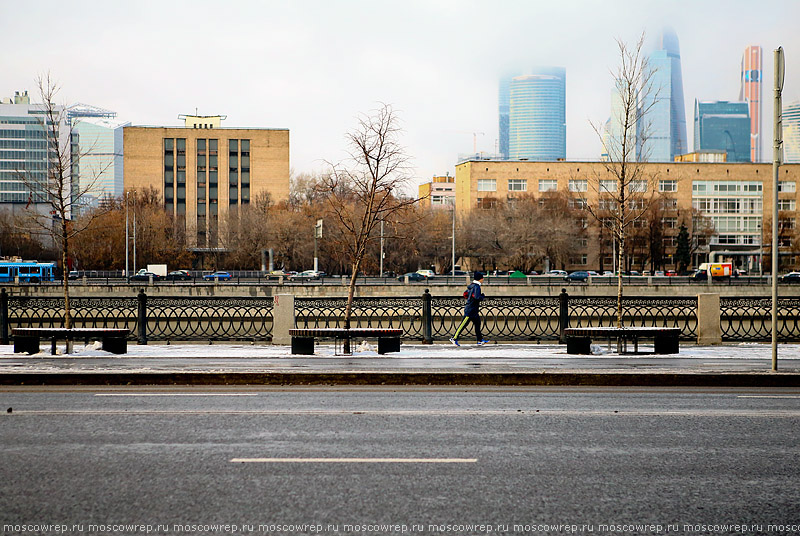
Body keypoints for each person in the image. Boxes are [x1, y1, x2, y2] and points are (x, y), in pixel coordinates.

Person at [450, 271, 490, 346]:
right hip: (471, 310)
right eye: (482, 278)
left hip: (473, 309)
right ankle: (454, 338)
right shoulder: (477, 287)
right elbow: (477, 297)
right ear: (479, 279)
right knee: (463, 324)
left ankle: (480, 340)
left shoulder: (471, 285)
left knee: (477, 323)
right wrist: (482, 296)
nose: (483, 280)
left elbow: (465, 294)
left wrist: (469, 298)